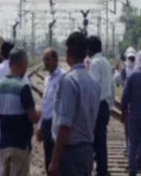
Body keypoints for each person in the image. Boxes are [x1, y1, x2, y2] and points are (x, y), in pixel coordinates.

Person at [49, 32, 100, 176]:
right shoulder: (94, 82)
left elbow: (65, 124)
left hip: (70, 153)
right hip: (87, 151)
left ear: (68, 52)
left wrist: (55, 160)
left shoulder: (69, 81)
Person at [0, 47, 41, 176]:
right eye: (26, 64)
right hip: (20, 144)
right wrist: (39, 109)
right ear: (22, 64)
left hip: (3, 144)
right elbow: (34, 118)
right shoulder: (23, 87)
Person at [0, 42, 29, 176]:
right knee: (19, 161)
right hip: (20, 123)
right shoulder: (21, 70)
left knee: (2, 157)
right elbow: (27, 91)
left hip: (2, 121)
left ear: (1, 54)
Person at [87, 36, 114, 176]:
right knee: (101, 141)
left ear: (89, 49)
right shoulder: (106, 62)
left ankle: (97, 170)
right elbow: (112, 86)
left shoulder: (94, 63)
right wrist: (110, 105)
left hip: (97, 106)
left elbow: (94, 87)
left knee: (93, 141)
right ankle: (102, 170)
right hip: (105, 105)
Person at [36, 48, 65, 173]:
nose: (45, 62)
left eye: (48, 59)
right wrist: (40, 125)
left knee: (58, 161)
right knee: (48, 159)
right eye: (44, 59)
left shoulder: (63, 77)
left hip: (57, 124)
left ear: (56, 60)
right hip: (47, 123)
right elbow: (45, 103)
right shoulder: (47, 79)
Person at [121, 51, 141, 176]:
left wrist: (123, 112)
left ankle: (132, 171)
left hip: (134, 116)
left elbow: (124, 98)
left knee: (133, 144)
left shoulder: (132, 76)